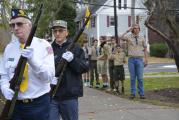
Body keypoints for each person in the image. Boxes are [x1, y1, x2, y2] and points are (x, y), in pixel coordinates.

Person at [0, 9, 55, 120]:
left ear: (30, 26)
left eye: (19, 24)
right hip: (15, 104)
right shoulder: (9, 48)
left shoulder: (44, 45)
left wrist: (33, 61)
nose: (15, 28)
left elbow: (49, 77)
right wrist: (4, 87)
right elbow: (4, 75)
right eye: (12, 25)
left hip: (38, 104)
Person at [49, 20, 89, 120]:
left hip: (69, 95)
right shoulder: (48, 48)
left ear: (67, 32)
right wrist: (48, 80)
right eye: (55, 31)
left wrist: (73, 60)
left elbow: (84, 68)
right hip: (51, 95)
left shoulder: (76, 48)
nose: (57, 33)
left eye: (61, 30)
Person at [120, 24, 148, 99]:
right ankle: (132, 93)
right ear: (133, 29)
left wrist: (146, 59)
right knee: (132, 78)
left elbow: (145, 49)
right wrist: (127, 31)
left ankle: (141, 93)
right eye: (134, 28)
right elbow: (121, 37)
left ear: (139, 29)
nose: (136, 29)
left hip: (139, 59)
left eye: (137, 28)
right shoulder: (129, 37)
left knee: (140, 78)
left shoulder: (142, 38)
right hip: (131, 60)